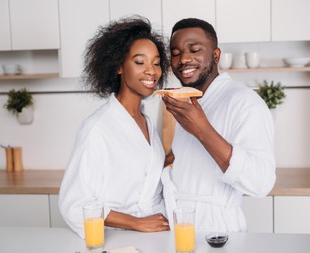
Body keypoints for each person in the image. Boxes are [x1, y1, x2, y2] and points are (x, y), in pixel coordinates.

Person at [59, 16, 170, 239]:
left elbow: (140, 173)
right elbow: (75, 203)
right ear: (119, 66)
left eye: (156, 63)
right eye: (140, 62)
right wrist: (136, 223)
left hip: (159, 233)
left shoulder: (146, 121)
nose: (151, 71)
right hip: (119, 237)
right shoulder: (98, 128)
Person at [161, 18, 276, 232]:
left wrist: (202, 129)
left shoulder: (245, 102)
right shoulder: (190, 102)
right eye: (175, 53)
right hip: (180, 227)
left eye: (194, 49)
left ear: (216, 55)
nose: (184, 58)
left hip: (218, 230)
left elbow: (262, 183)